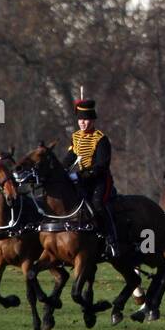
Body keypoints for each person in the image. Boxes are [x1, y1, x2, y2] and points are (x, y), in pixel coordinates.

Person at [63, 97, 120, 259]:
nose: (83, 123)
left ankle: (111, 239)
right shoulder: (75, 137)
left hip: (99, 180)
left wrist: (80, 175)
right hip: (81, 179)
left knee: (98, 204)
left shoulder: (101, 138)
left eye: (86, 120)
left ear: (93, 121)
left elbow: (101, 166)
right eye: (81, 120)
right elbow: (70, 157)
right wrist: (62, 171)